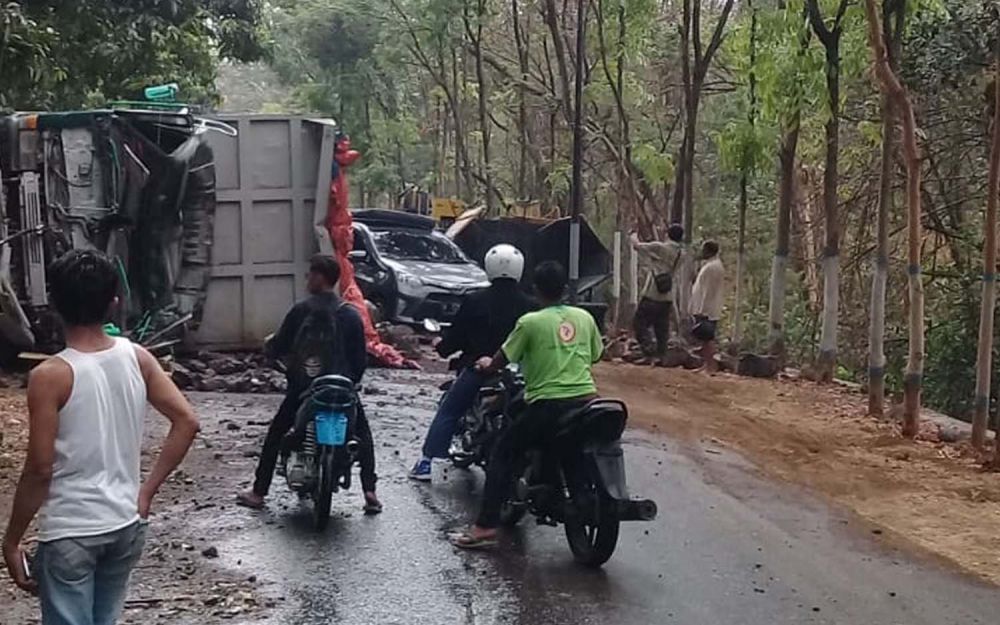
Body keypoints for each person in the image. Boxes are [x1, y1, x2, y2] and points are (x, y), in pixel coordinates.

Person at [3, 249, 200, 625]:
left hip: (71, 531)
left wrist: (12, 540)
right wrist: (145, 492)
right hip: (125, 524)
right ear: (113, 303)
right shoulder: (137, 356)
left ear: (55, 304)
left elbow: (40, 469)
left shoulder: (50, 376)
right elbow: (187, 421)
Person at [449, 261, 603, 549]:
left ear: (535, 289)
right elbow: (595, 355)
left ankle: (484, 528)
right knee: (572, 450)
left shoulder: (530, 322)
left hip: (547, 404)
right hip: (586, 402)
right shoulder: (585, 317)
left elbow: (502, 359)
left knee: (503, 454)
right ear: (565, 288)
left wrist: (486, 363)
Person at [237, 254, 382, 514]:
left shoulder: (302, 310)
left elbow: (280, 344)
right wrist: (351, 382)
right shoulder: (350, 314)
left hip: (306, 389)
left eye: (310, 275)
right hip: (342, 390)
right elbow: (360, 359)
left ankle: (259, 492)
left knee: (276, 433)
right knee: (363, 434)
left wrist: (271, 352)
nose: (307, 280)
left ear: (318, 277)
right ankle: (369, 491)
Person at [409, 244, 536, 481]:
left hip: (479, 369)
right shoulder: (531, 305)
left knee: (449, 408)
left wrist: (441, 345)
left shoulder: (475, 300)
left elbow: (456, 337)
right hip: (520, 373)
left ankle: (426, 463)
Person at [630, 224, 684, 362]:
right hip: (667, 296)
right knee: (661, 328)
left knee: (639, 323)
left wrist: (633, 234)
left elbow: (637, 246)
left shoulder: (659, 247)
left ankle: (648, 351)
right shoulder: (681, 254)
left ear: (667, 234)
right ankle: (661, 355)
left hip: (652, 293)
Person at [690, 240, 725, 373]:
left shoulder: (712, 267)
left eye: (704, 250)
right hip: (707, 307)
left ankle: (711, 366)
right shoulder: (712, 265)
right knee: (705, 339)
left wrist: (703, 310)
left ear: (709, 251)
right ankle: (707, 365)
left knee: (708, 338)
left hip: (708, 309)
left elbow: (709, 291)